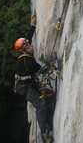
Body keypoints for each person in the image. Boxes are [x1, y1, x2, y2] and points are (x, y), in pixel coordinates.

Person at [14, 13, 54, 143]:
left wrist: (33, 24)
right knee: (40, 105)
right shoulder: (27, 61)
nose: (30, 45)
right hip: (25, 88)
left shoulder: (26, 52)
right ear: (23, 50)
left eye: (28, 43)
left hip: (29, 82)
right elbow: (41, 69)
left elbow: (29, 36)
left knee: (49, 95)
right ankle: (45, 134)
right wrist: (52, 67)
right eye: (27, 45)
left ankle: (49, 118)